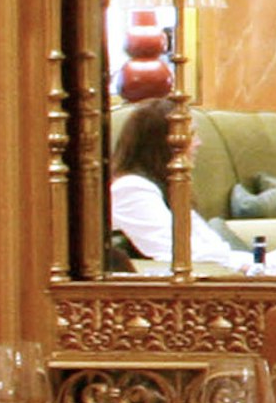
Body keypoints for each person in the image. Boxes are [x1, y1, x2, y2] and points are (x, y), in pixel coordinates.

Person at [107, 99, 252, 275]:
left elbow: (210, 243)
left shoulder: (170, 183)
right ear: (163, 143)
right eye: (191, 135)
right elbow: (174, 251)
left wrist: (250, 263)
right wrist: (241, 264)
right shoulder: (131, 188)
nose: (198, 143)